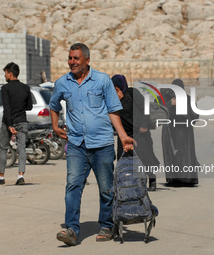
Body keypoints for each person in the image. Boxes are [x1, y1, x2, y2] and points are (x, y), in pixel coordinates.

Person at [49, 43, 133, 246]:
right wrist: (55, 126)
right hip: (76, 144)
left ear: (87, 60)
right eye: (70, 58)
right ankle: (72, 229)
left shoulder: (102, 80)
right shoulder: (63, 83)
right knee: (73, 187)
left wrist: (123, 136)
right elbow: (53, 105)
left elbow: (113, 110)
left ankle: (106, 225)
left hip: (102, 144)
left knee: (106, 189)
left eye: (76, 58)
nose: (72, 62)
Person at [112, 74, 159, 191]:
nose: (114, 90)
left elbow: (145, 108)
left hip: (139, 131)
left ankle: (152, 179)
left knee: (145, 157)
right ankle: (127, 182)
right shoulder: (112, 98)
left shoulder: (132, 93)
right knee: (123, 159)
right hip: (124, 133)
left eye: (116, 87)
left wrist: (144, 125)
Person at [0, 62, 33, 185]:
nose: (4, 76)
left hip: (7, 123)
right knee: (21, 149)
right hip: (22, 121)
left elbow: (7, 108)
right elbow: (29, 106)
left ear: (10, 74)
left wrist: (10, 125)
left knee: (3, 148)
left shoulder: (5, 88)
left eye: (5, 74)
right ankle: (20, 176)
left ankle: (1, 177)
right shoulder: (26, 88)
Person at [161, 78, 200, 187]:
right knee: (186, 155)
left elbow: (159, 110)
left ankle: (174, 180)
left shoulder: (167, 100)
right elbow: (195, 116)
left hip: (170, 131)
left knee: (172, 154)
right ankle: (188, 179)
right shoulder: (188, 99)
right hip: (185, 132)